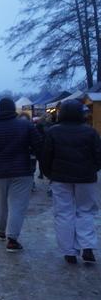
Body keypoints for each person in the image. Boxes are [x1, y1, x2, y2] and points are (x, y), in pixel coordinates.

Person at [0, 98, 43, 253]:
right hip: (22, 171)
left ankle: (1, 231)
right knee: (18, 205)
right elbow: (39, 146)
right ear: (13, 109)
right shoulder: (26, 125)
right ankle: (12, 239)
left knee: (0, 203)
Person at [41, 100, 101, 264]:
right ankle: (87, 247)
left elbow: (46, 156)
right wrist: (92, 169)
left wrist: (50, 174)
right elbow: (98, 156)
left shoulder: (53, 132)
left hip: (60, 178)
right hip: (86, 178)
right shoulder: (90, 132)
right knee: (86, 211)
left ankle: (69, 252)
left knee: (63, 213)